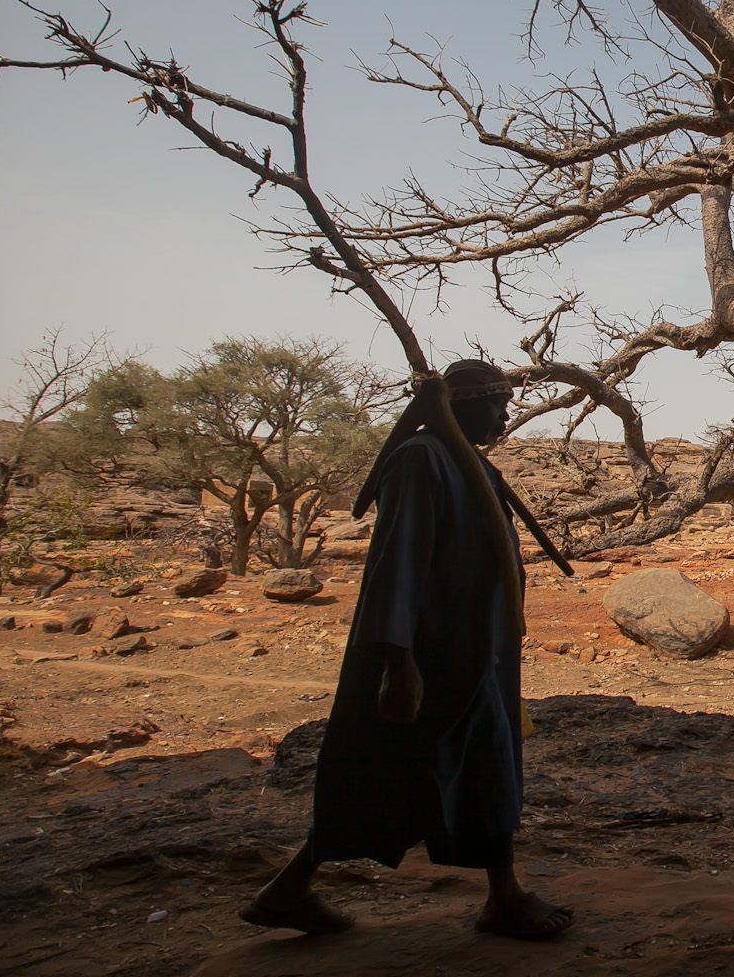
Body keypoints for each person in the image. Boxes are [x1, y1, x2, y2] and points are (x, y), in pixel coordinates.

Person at [241, 358, 573, 940]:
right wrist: (398, 660)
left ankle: (290, 889)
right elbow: (397, 562)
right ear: (466, 404)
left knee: (445, 767)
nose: (505, 416)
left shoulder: (464, 460)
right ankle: (504, 896)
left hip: (475, 649)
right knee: (402, 769)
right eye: (497, 405)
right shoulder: (422, 460)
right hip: (434, 653)